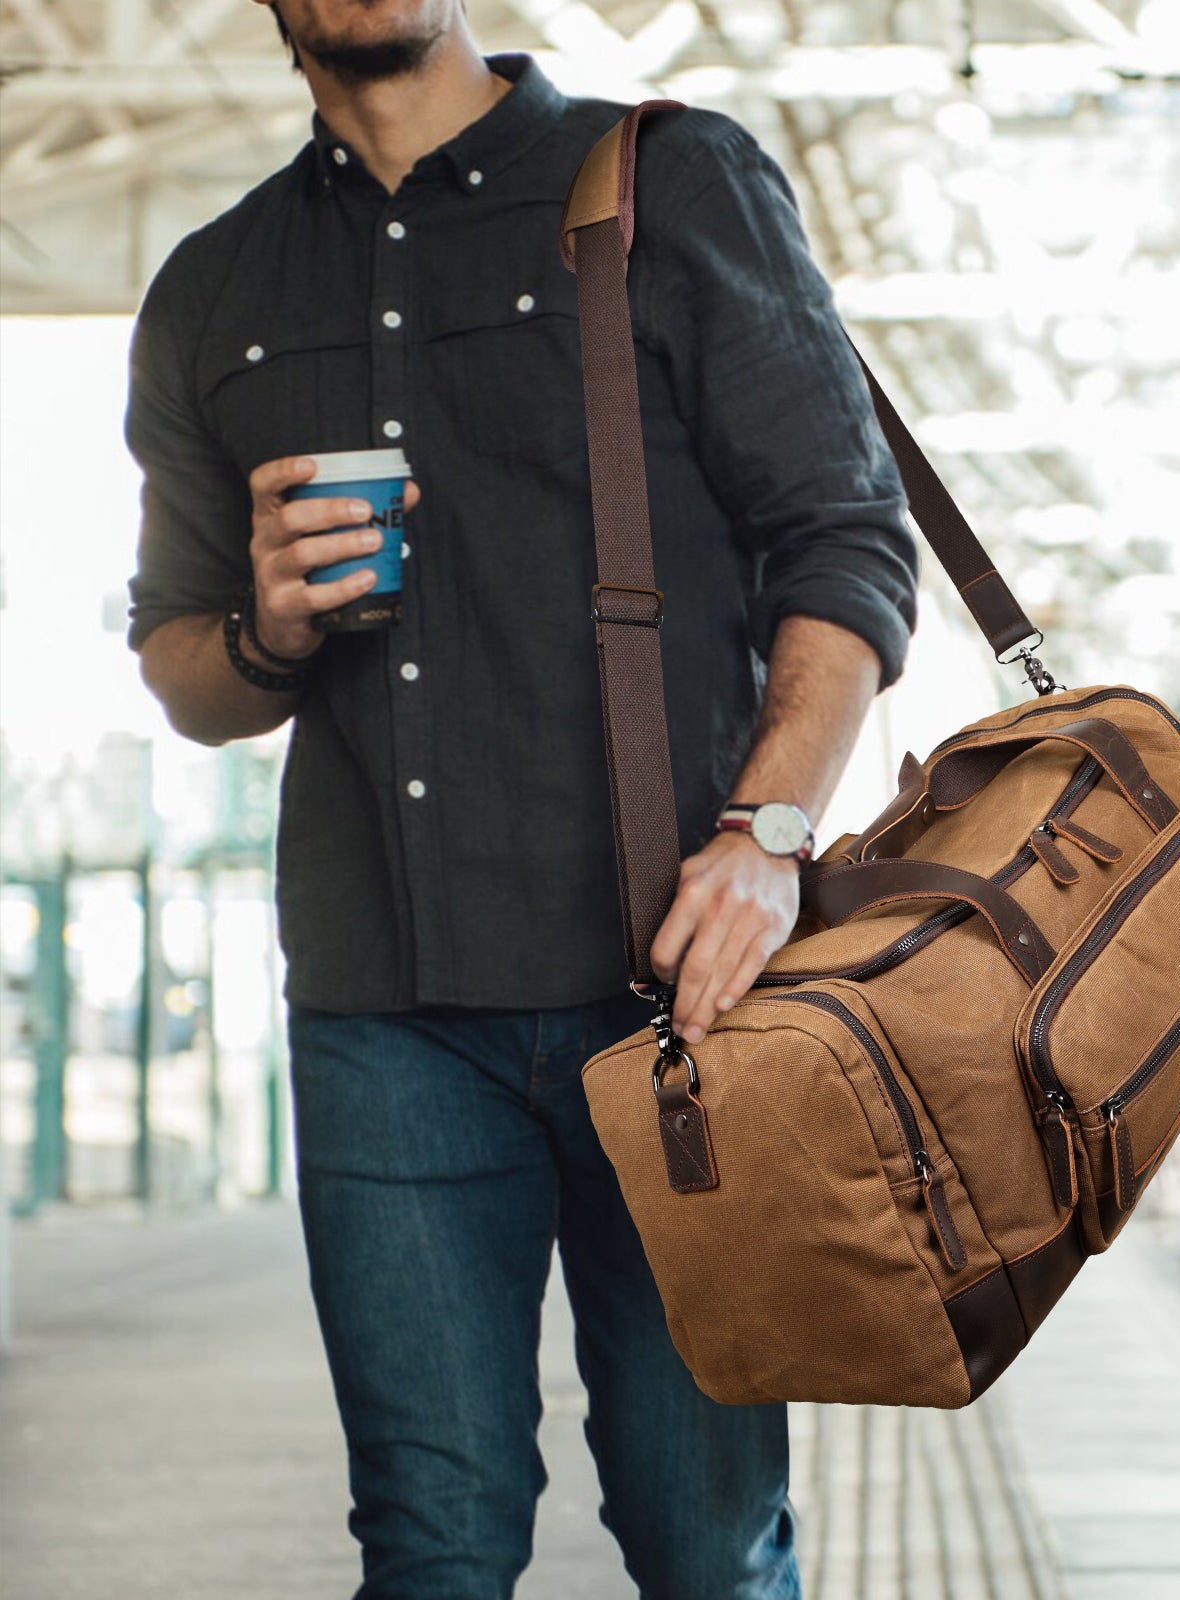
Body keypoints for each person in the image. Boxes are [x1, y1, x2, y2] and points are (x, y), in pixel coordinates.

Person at [123, 2, 919, 1596]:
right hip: (385, 1014)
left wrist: (770, 837)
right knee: (431, 1542)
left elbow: (847, 541)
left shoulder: (668, 183)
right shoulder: (216, 287)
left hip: (682, 999)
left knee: (708, 1544)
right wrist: (265, 629)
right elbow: (181, 666)